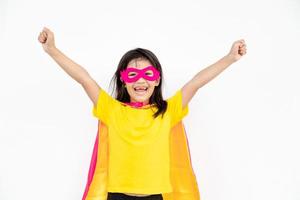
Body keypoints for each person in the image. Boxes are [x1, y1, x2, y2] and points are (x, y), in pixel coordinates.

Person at [38, 27, 247, 200]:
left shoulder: (168, 111)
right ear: (123, 80)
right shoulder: (111, 110)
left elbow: (197, 82)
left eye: (148, 74)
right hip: (117, 196)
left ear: (156, 80)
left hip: (155, 196)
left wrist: (229, 58)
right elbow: (84, 78)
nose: (140, 81)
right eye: (133, 75)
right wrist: (52, 50)